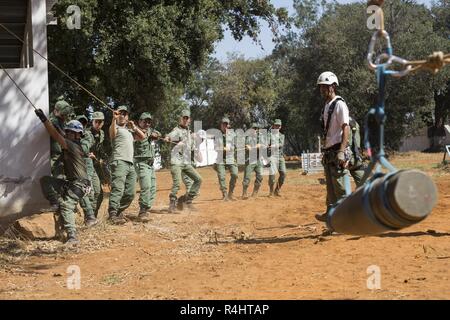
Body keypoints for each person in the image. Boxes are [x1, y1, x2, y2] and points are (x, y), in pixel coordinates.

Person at [35, 108, 93, 244]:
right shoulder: (72, 143)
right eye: (66, 131)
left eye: (69, 132)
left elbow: (55, 135)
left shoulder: (72, 145)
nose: (66, 133)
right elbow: (59, 133)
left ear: (77, 135)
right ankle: (56, 203)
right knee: (46, 181)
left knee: (67, 206)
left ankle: (72, 237)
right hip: (73, 183)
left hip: (81, 184)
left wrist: (44, 119)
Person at [315, 71, 351, 223]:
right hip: (329, 151)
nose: (322, 89)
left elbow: (346, 128)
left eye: (325, 86)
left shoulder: (339, 104)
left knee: (341, 188)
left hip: (338, 150)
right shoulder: (326, 106)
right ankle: (331, 216)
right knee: (330, 189)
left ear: (333, 86)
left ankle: (348, 220)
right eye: (321, 87)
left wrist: (342, 151)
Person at [108, 105, 146, 224]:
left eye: (125, 114)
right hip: (119, 161)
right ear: (117, 115)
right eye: (121, 113)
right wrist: (114, 119)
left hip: (130, 164)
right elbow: (112, 134)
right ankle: (112, 214)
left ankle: (118, 211)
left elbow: (142, 137)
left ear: (128, 116)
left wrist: (134, 127)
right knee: (118, 189)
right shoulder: (115, 128)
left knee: (130, 193)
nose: (123, 115)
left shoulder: (129, 131)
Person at [40, 97, 74, 211]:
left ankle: (63, 203)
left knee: (64, 179)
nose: (65, 117)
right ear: (55, 111)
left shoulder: (61, 120)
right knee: (57, 178)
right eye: (63, 114)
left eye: (66, 115)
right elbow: (60, 133)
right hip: (56, 155)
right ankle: (56, 203)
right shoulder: (53, 121)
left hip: (62, 155)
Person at [164, 109, 202, 213]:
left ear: (190, 120)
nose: (185, 120)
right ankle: (172, 205)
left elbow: (195, 151)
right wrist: (167, 138)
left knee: (198, 179)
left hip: (186, 163)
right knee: (177, 183)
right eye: (183, 118)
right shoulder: (177, 130)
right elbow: (169, 135)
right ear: (180, 119)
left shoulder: (189, 133)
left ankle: (188, 201)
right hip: (176, 161)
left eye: (187, 118)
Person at [134, 112, 161, 221]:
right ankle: (142, 211)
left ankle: (146, 208)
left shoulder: (150, 131)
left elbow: (157, 133)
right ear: (139, 121)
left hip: (151, 165)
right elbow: (140, 136)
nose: (147, 123)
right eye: (145, 121)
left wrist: (156, 134)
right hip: (141, 163)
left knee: (153, 188)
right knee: (146, 187)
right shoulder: (134, 131)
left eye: (149, 121)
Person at [80, 111, 106, 219]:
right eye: (97, 121)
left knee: (99, 193)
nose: (99, 124)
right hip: (87, 164)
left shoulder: (102, 134)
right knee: (91, 192)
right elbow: (80, 148)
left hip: (96, 165)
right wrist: (87, 154)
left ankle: (93, 216)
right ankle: (88, 217)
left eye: (101, 122)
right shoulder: (86, 133)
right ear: (92, 122)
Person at [214, 116, 238, 201]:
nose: (225, 126)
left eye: (226, 124)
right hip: (220, 158)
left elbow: (235, 145)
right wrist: (223, 148)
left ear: (229, 125)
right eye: (224, 124)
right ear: (221, 125)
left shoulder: (233, 134)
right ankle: (224, 194)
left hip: (230, 157)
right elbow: (216, 148)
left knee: (235, 174)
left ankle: (230, 193)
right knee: (221, 176)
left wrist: (232, 147)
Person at [242, 123, 265, 200]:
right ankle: (244, 192)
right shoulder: (247, 137)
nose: (254, 130)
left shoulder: (260, 136)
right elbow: (245, 144)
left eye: (256, 128)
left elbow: (263, 144)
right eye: (253, 128)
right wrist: (247, 146)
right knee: (247, 177)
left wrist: (260, 145)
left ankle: (255, 192)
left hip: (258, 160)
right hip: (250, 159)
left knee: (260, 176)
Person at [268, 119, 286, 197]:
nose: (277, 127)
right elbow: (267, 143)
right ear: (273, 126)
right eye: (276, 125)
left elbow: (281, 144)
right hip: (272, 156)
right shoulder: (269, 135)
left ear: (280, 127)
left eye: (279, 126)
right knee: (272, 174)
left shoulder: (282, 135)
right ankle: (271, 191)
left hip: (280, 157)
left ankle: (277, 190)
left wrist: (273, 145)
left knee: (283, 173)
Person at [348, 117, 367, 187]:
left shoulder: (340, 121)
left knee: (339, 192)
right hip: (356, 158)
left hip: (345, 159)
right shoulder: (354, 122)